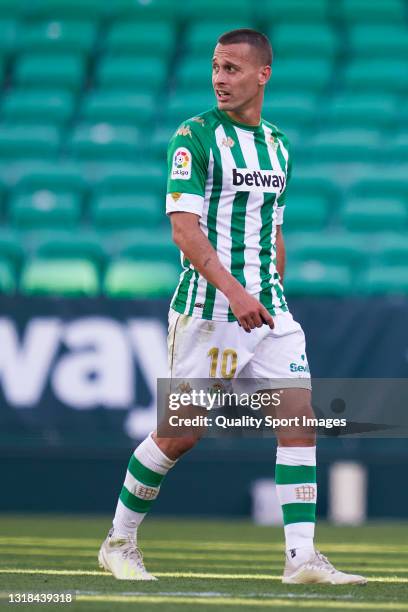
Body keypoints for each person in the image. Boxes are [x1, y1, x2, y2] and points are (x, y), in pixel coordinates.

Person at [98, 28, 366, 585]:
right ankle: (119, 541)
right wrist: (235, 292)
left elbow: (273, 229)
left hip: (268, 314)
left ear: (262, 74)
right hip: (207, 313)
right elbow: (184, 231)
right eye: (216, 68)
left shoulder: (278, 146)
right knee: (179, 435)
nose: (220, 79)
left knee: (298, 422)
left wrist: (271, 294)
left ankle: (301, 559)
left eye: (232, 69)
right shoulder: (193, 138)